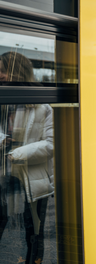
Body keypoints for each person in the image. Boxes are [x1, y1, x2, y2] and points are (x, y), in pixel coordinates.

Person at [0, 51, 54, 264]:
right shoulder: (3, 100)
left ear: (16, 72)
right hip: (4, 175)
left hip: (32, 178)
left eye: (2, 70)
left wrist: (16, 153)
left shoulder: (42, 106)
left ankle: (33, 260)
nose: (0, 75)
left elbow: (50, 145)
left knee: (33, 229)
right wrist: (3, 140)